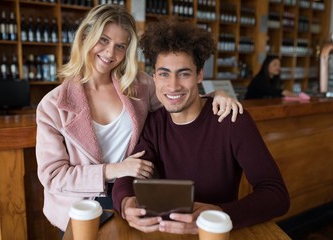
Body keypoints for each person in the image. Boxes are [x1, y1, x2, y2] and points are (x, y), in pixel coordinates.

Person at [35, 4, 242, 233]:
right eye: (103, 40)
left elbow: (176, 98)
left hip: (132, 195)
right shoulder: (53, 105)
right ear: (85, 37)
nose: (110, 53)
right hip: (81, 208)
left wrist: (217, 95)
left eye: (120, 46)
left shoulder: (140, 85)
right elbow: (53, 177)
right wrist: (113, 170)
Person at [112, 18, 290, 234]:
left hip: (217, 233)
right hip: (169, 232)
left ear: (199, 75)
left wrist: (218, 214)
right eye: (164, 73)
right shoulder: (154, 123)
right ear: (154, 77)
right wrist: (125, 204)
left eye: (184, 73)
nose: (173, 85)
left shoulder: (231, 120)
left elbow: (276, 195)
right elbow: (128, 175)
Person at [245, 55, 310, 99]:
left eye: (279, 65)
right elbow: (276, 92)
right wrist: (298, 96)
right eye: (275, 65)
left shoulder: (274, 80)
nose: (278, 67)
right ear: (266, 66)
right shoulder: (259, 80)